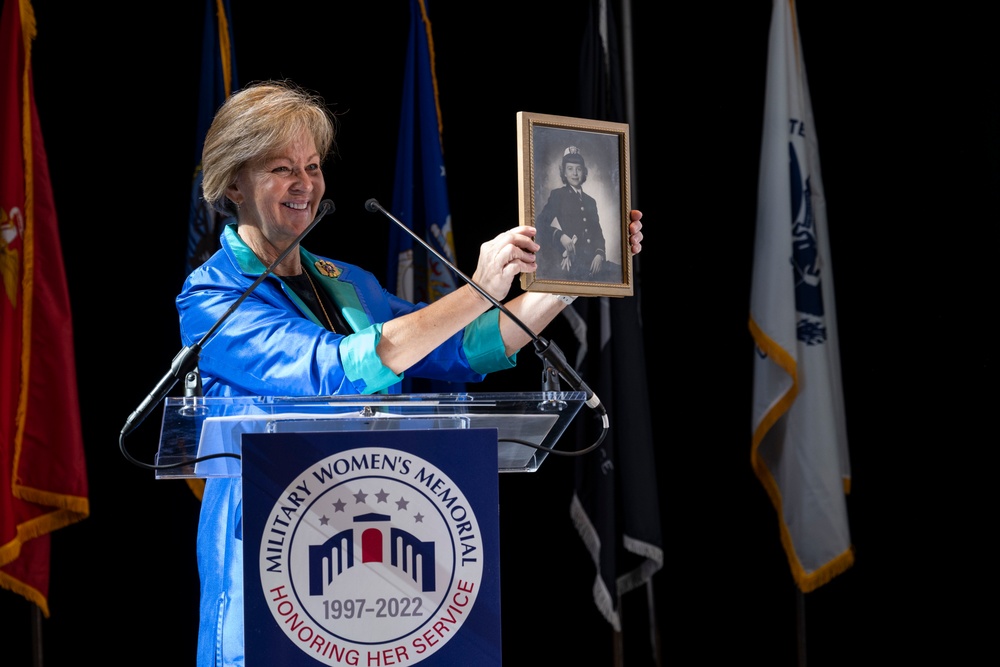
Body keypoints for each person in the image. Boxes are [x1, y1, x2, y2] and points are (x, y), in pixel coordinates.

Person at [176, 80, 643, 666]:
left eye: (313, 166)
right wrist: (478, 291)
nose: (305, 184)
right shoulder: (214, 296)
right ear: (233, 184)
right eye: (280, 168)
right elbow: (333, 369)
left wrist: (577, 274)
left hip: (382, 558)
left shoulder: (346, 281)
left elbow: (460, 349)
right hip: (273, 560)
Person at [536, 145, 608, 281]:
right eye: (570, 169)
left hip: (594, 262)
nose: (575, 173)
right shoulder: (558, 195)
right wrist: (560, 236)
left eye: (578, 169)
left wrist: (599, 254)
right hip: (573, 262)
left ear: (584, 172)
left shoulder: (590, 201)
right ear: (564, 173)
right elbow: (539, 224)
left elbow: (597, 231)